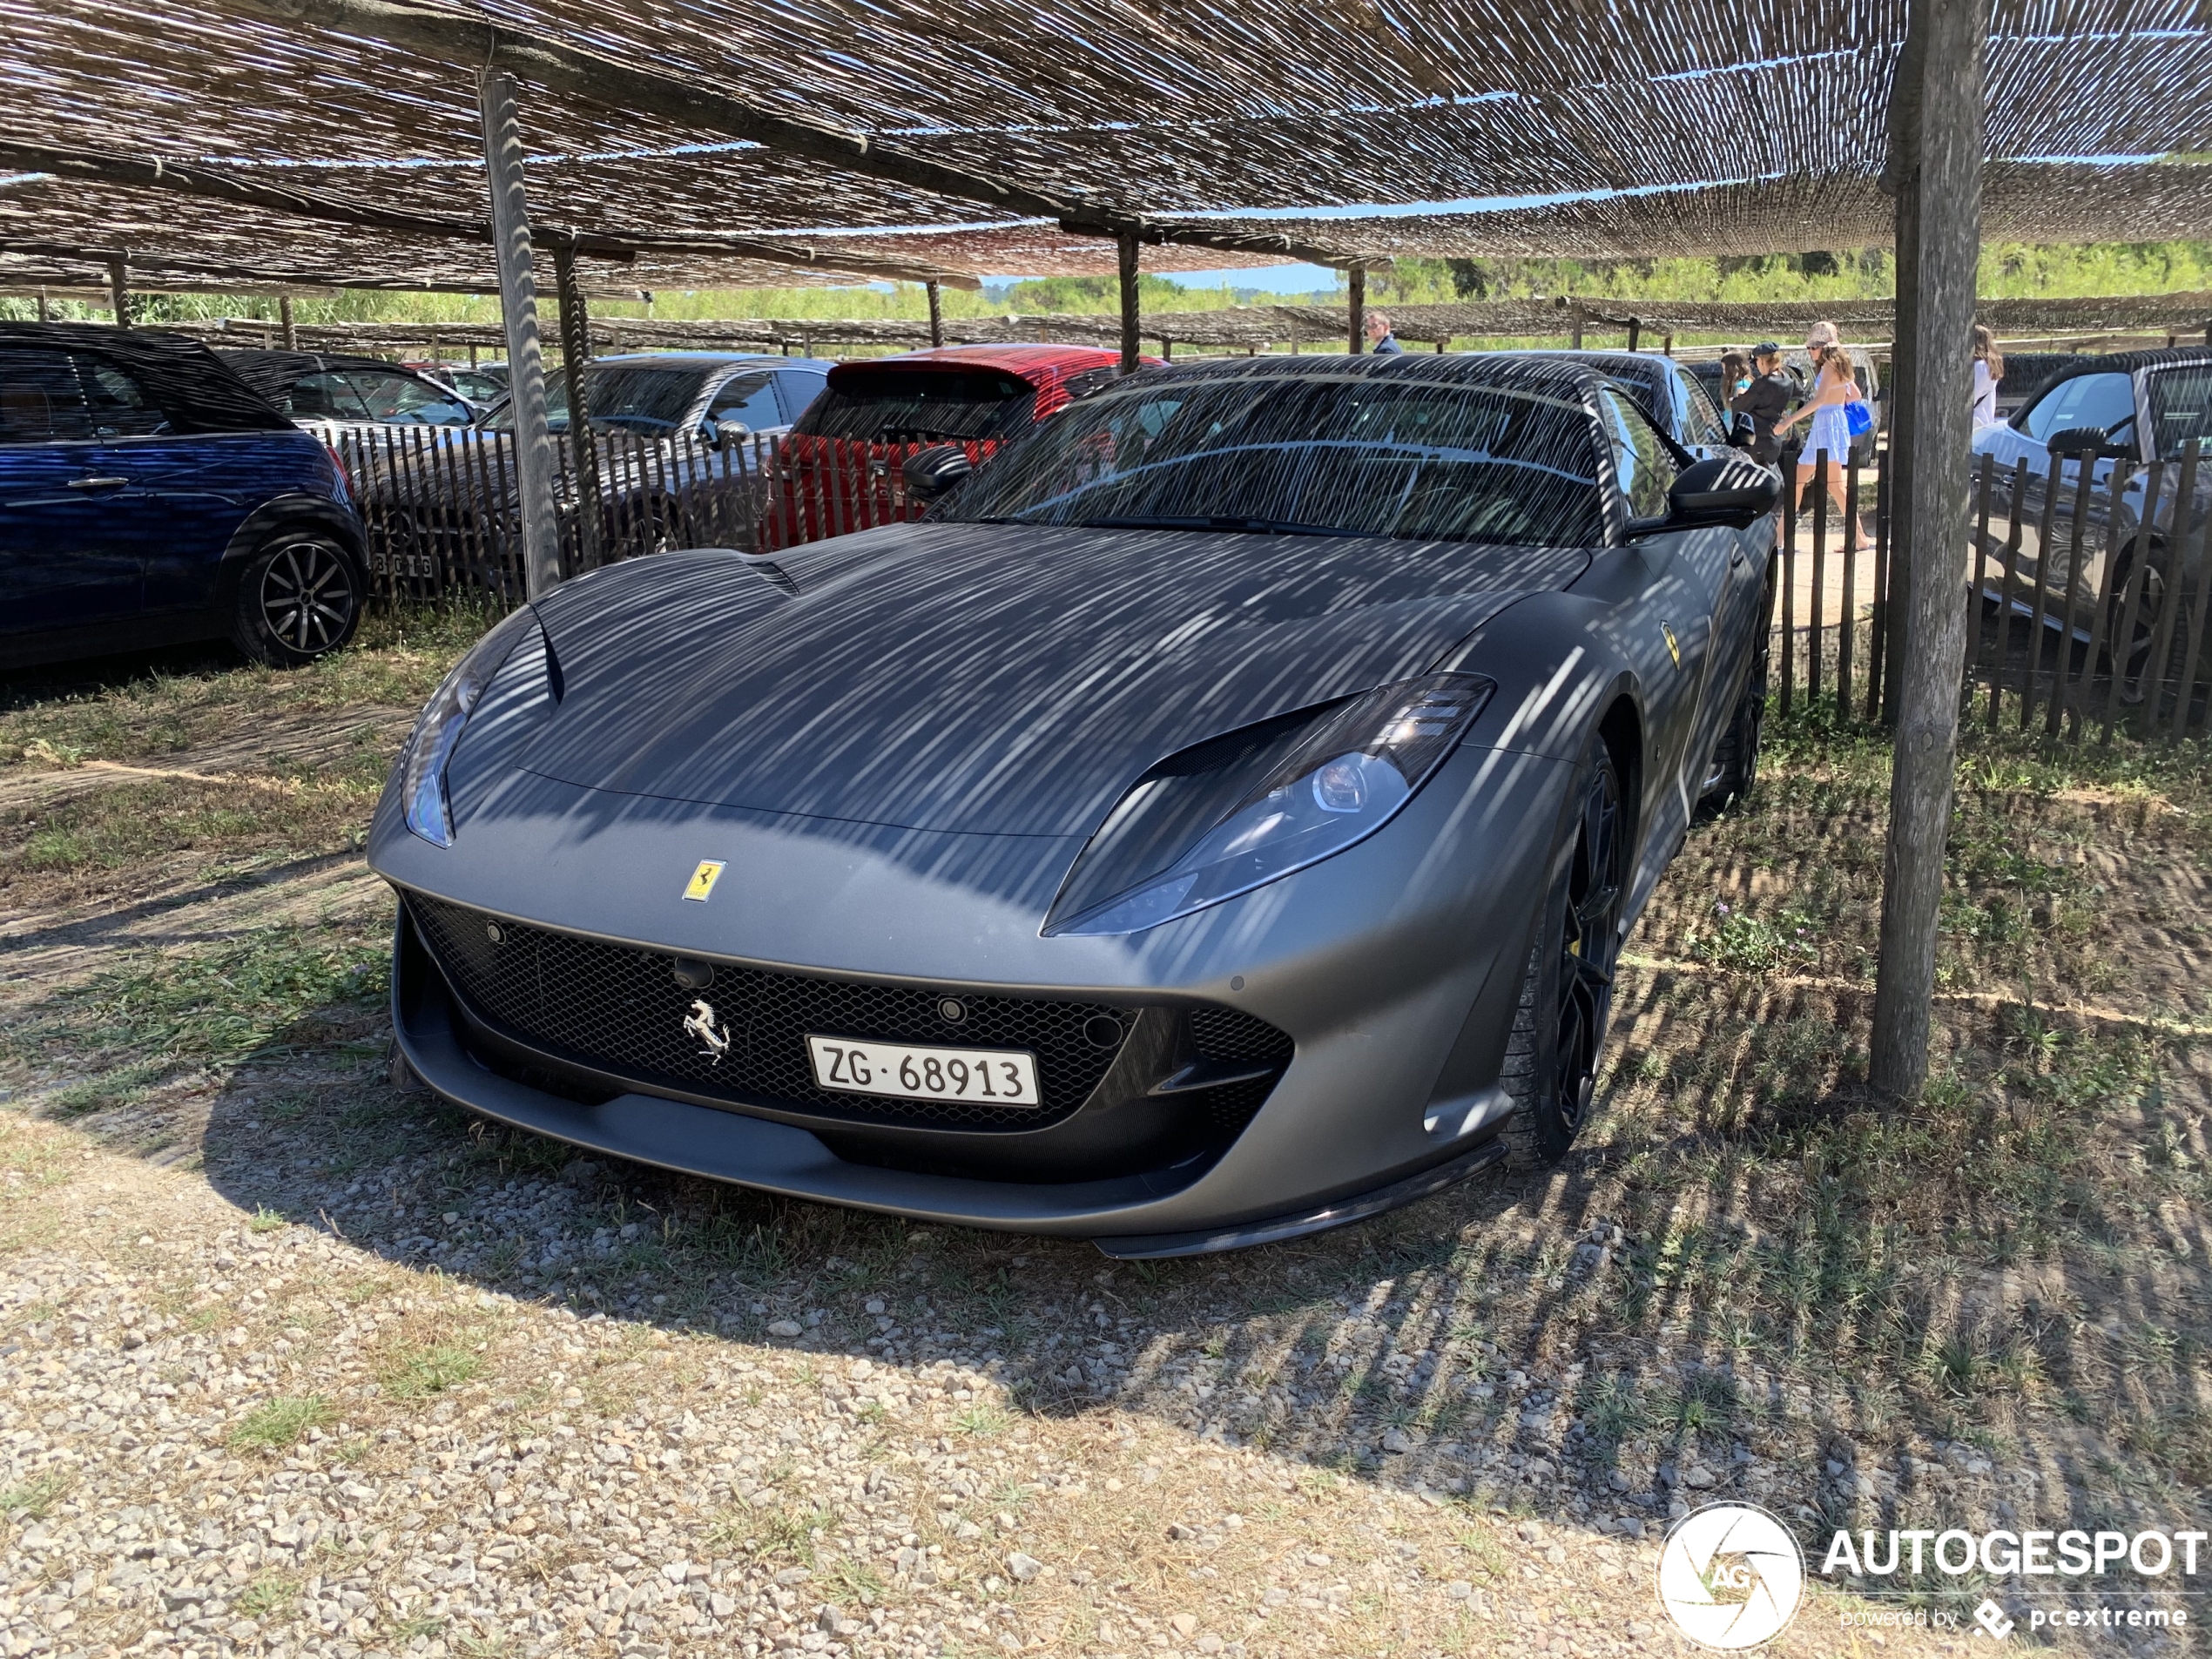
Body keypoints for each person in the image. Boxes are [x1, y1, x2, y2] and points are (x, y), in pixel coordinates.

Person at [1776, 341, 1872, 550]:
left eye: (1813, 347)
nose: (1810, 352)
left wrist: (1789, 420)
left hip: (1827, 424)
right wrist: (1837, 400)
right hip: (1831, 423)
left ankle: (1780, 538)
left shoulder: (1829, 365)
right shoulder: (1839, 364)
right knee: (1821, 483)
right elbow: (1855, 394)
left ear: (1823, 346)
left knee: (1816, 483)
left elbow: (1819, 400)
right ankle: (1780, 537)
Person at [1729, 342, 1795, 467]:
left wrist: (1740, 393)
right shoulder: (1788, 380)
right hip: (1774, 440)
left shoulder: (1763, 383)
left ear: (1762, 361)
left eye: (1756, 362)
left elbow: (1741, 407)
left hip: (1757, 443)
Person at [1972, 323, 2004, 425]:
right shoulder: (1989, 364)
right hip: (1984, 420)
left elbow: (1971, 398)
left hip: (1976, 422)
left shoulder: (1980, 366)